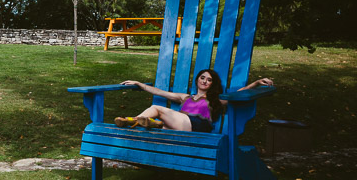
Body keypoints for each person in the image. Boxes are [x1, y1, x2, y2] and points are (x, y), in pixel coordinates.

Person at [114, 69, 274, 132]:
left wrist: (256, 83)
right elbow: (160, 92)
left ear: (213, 84)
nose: (204, 81)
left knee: (157, 107)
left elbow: (239, 93)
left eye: (209, 80)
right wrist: (139, 83)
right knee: (156, 130)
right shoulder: (185, 97)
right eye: (202, 78)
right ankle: (152, 123)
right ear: (197, 80)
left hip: (197, 126)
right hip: (180, 127)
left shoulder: (215, 99)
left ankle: (132, 121)